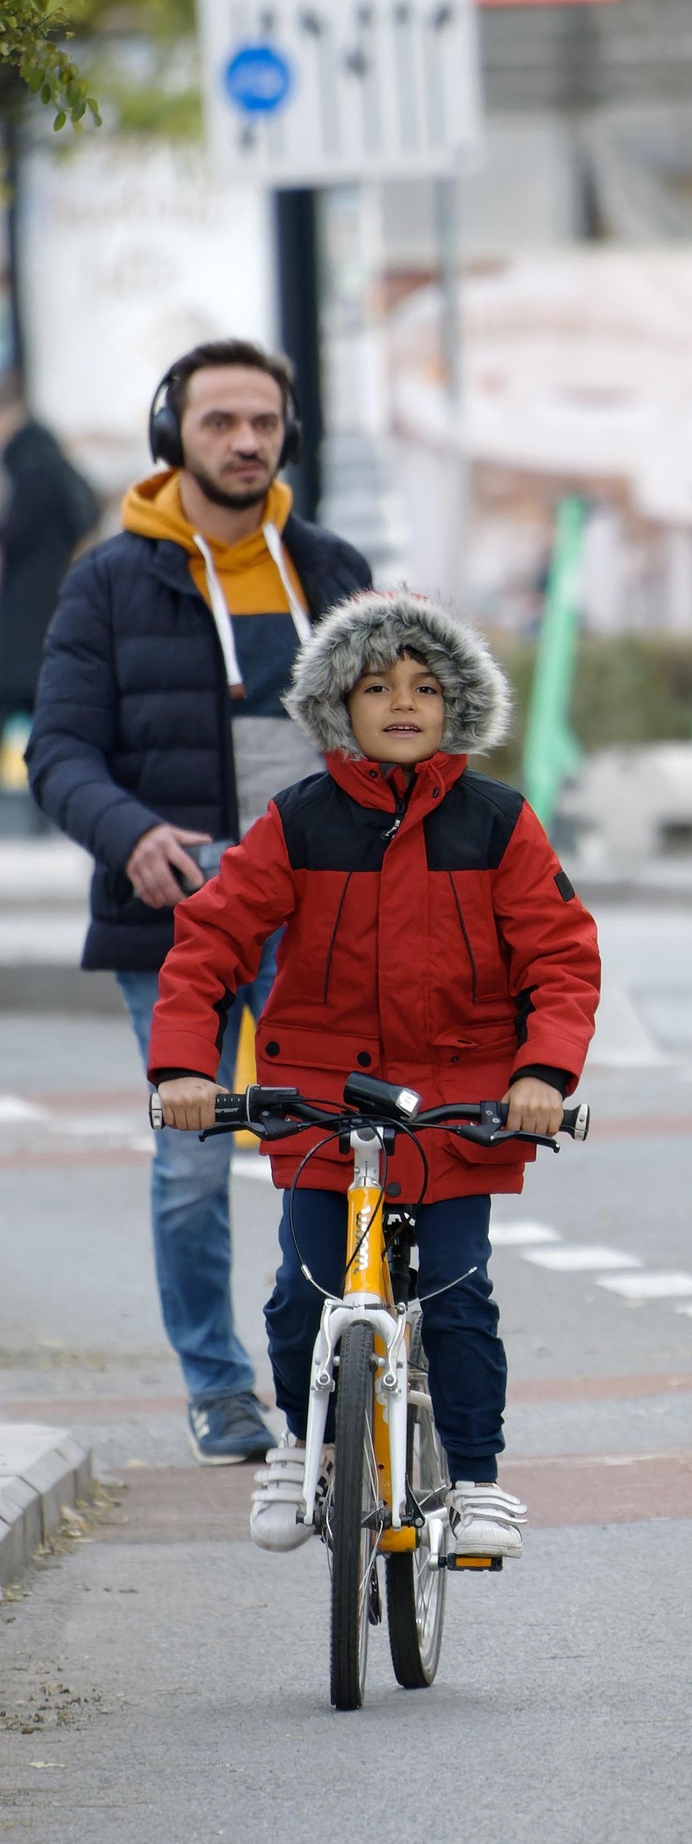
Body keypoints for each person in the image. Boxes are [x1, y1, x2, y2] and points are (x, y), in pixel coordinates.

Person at [146, 589, 600, 1558]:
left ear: (457, 706)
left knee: (457, 1291)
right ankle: (301, 1446)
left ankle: (475, 1479)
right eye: (377, 686)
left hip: (458, 1106)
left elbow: (561, 956)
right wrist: (186, 1066)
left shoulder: (498, 823)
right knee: (302, 1291)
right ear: (336, 707)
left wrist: (542, 1074)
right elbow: (211, 942)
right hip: (318, 1102)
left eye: (426, 687)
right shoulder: (297, 822)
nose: (402, 703)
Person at [27, 340, 371, 1465]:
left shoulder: (332, 568)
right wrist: (130, 835)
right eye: (220, 421)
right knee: (191, 1165)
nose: (245, 441)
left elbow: (393, 734)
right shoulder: (108, 581)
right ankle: (218, 1389)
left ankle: (337, 1367)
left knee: (339, 1145)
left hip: (320, 911)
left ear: (289, 434)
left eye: (263, 422)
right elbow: (59, 752)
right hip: (179, 917)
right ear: (173, 434)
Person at [0, 372, 99, 722]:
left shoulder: (31, 461)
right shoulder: (42, 457)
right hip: (44, 602)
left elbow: (19, 532)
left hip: (30, 610)